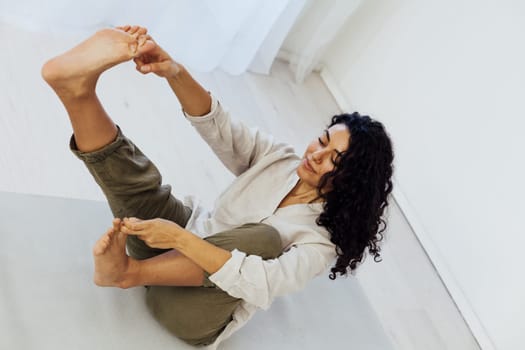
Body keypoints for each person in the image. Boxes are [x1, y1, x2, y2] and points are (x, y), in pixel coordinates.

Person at [41, 25, 394, 348]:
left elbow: (262, 282)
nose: (316, 155)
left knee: (265, 240)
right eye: (322, 141)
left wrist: (178, 240)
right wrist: (173, 71)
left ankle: (127, 274)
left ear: (353, 181)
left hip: (187, 308)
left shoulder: (319, 241)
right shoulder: (282, 160)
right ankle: (77, 92)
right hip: (170, 244)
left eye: (335, 159)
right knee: (143, 183)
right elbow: (220, 127)